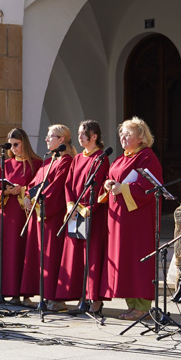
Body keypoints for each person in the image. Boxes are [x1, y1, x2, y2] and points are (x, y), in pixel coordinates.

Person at [101, 117, 163, 321]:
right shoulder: (121, 158)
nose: (123, 137)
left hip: (138, 219)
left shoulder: (147, 157)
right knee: (123, 259)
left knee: (138, 259)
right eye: (121, 134)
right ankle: (131, 304)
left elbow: (150, 186)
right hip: (120, 217)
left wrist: (123, 188)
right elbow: (112, 177)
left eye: (128, 134)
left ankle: (143, 306)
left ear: (141, 137)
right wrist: (109, 184)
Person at [20, 125, 76, 310]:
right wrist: (27, 196)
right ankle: (43, 295)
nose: (46, 139)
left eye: (50, 136)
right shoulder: (49, 161)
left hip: (52, 216)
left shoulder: (66, 161)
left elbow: (57, 188)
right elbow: (34, 183)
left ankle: (56, 298)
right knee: (40, 256)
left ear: (61, 140)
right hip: (38, 215)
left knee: (52, 256)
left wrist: (37, 200)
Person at [57, 120, 110, 315]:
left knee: (92, 256)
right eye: (79, 134)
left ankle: (94, 300)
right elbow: (68, 184)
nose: (79, 137)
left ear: (94, 136)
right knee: (79, 257)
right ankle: (81, 297)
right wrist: (71, 204)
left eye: (82, 134)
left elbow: (101, 185)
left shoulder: (101, 158)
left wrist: (88, 207)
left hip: (92, 214)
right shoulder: (78, 158)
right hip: (75, 213)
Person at [0, 128, 42, 305]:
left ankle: (26, 294)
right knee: (8, 252)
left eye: (16, 144)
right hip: (8, 214)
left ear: (24, 143)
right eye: (11, 145)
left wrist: (22, 190)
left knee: (24, 251)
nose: (13, 148)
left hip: (25, 213)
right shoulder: (5, 164)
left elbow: (37, 187)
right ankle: (8, 291)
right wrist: (5, 191)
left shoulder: (36, 163)